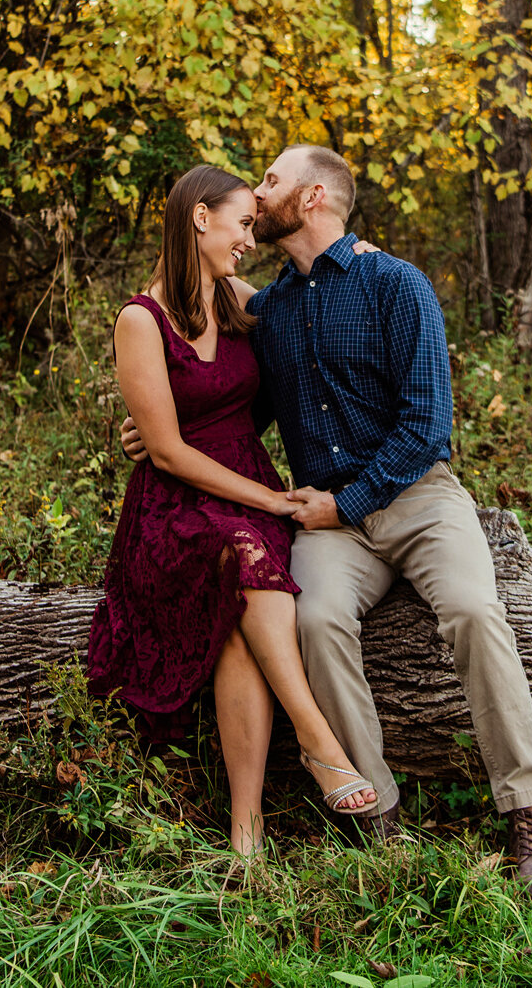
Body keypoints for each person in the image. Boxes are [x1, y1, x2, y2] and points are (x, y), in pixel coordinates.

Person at [124, 146, 532, 896]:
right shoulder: (265, 308)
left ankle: (529, 817)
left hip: (416, 497)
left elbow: (428, 424)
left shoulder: (397, 284)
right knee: (317, 621)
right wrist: (153, 429)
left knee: (472, 608)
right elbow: (212, 378)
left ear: (315, 195)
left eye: (270, 180)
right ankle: (381, 820)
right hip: (326, 516)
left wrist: (348, 502)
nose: (257, 194)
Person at [86, 163, 379, 861]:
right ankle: (318, 739)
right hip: (178, 507)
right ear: (199, 218)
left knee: (240, 622)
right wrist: (272, 499)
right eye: (242, 222)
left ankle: (246, 836)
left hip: (247, 488)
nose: (250, 238)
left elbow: (309, 316)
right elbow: (167, 453)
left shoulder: (242, 299)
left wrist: (359, 264)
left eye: (254, 224)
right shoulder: (140, 319)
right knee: (244, 552)